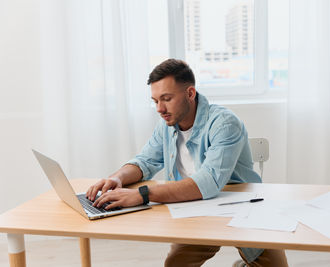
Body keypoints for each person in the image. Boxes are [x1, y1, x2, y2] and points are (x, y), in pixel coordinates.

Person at [86, 59, 288, 267]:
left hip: (244, 208)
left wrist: (141, 195)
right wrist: (116, 178)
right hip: (196, 208)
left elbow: (208, 182)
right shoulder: (167, 124)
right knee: (175, 264)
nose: (159, 108)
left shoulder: (225, 123)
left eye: (166, 99)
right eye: (155, 101)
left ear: (190, 93)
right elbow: (145, 161)